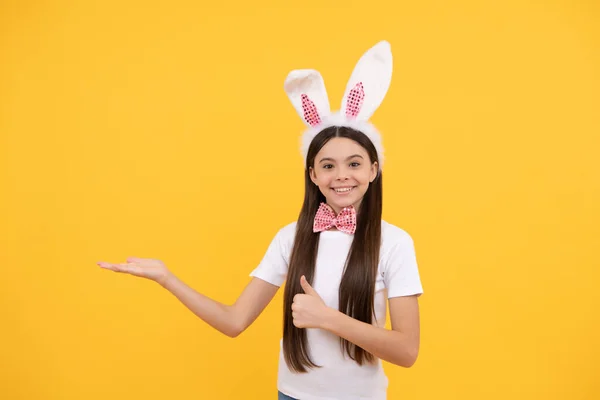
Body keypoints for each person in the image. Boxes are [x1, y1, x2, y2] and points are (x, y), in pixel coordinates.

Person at [97, 40, 424, 400]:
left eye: (355, 163)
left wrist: (327, 318)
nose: (341, 175)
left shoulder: (393, 242)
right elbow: (234, 322)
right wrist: (167, 278)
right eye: (328, 165)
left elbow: (407, 351)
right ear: (313, 175)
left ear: (374, 170)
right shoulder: (291, 238)